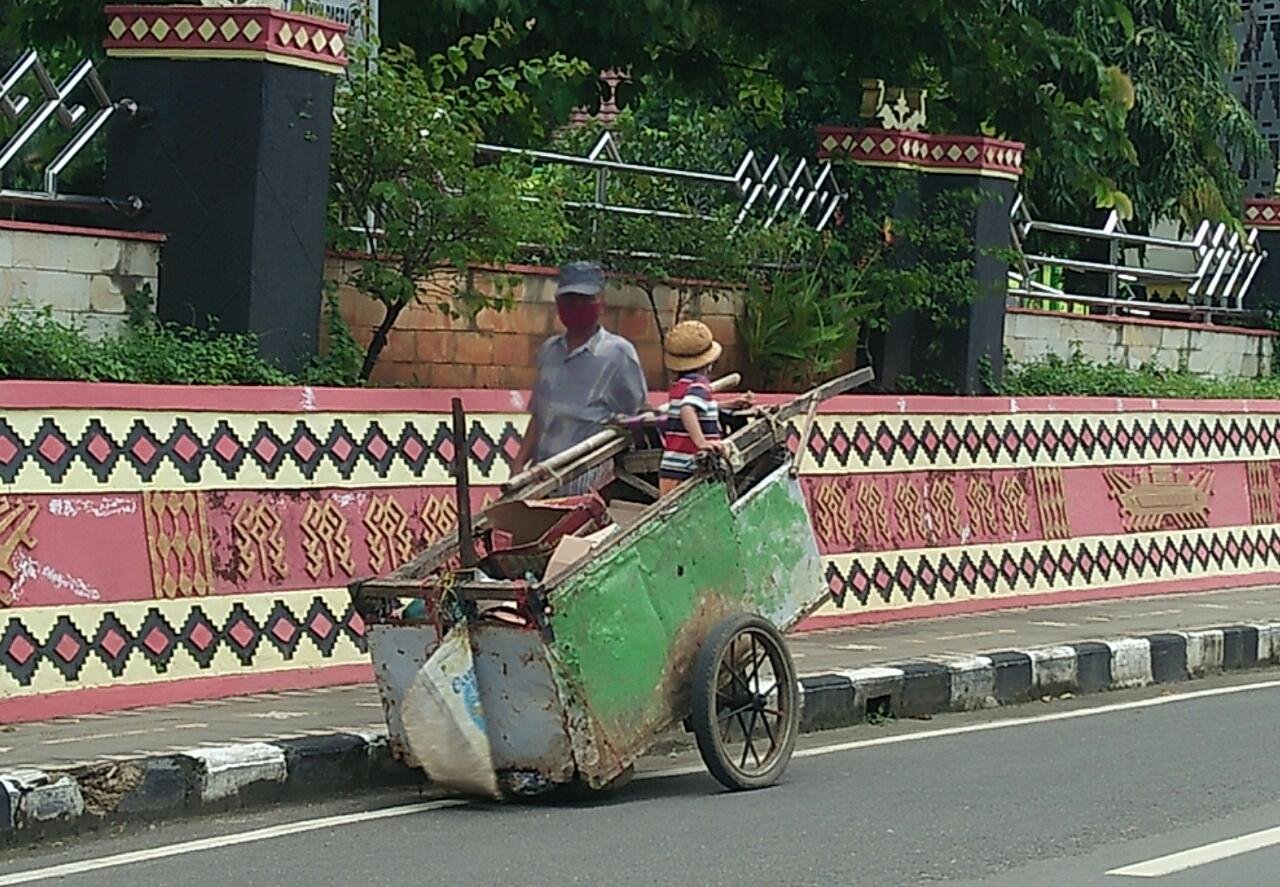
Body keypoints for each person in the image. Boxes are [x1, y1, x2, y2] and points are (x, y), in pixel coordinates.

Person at [511, 262, 648, 496]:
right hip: (541, 481)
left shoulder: (618, 354)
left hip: (587, 486)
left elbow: (637, 419)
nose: (577, 306)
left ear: (601, 303)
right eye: (570, 300)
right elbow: (539, 416)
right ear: (558, 304)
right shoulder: (549, 351)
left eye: (585, 299)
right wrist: (517, 465)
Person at [658, 320, 751, 495]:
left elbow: (692, 408)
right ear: (709, 362)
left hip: (671, 468)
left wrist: (729, 404)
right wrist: (701, 442)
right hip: (689, 470)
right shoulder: (700, 384)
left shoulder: (679, 386)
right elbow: (687, 409)